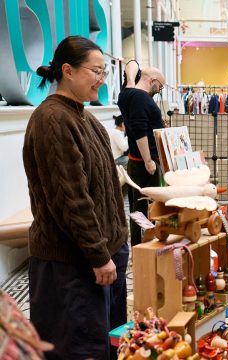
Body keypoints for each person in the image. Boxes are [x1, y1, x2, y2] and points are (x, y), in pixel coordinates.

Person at [23, 35, 129, 359]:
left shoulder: (84, 115)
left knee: (106, 345)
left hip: (101, 262)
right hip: (73, 267)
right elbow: (71, 199)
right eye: (95, 71)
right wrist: (99, 255)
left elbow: (100, 185)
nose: (101, 79)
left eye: (104, 72)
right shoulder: (52, 119)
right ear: (68, 71)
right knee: (79, 349)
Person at [118, 65, 166, 246]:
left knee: (138, 206)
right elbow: (140, 131)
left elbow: (131, 63)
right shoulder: (140, 98)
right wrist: (148, 160)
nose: (159, 90)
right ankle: (145, 246)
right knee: (148, 207)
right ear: (152, 81)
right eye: (160, 86)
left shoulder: (127, 93)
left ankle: (141, 245)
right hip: (145, 163)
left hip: (136, 161)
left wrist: (131, 80)